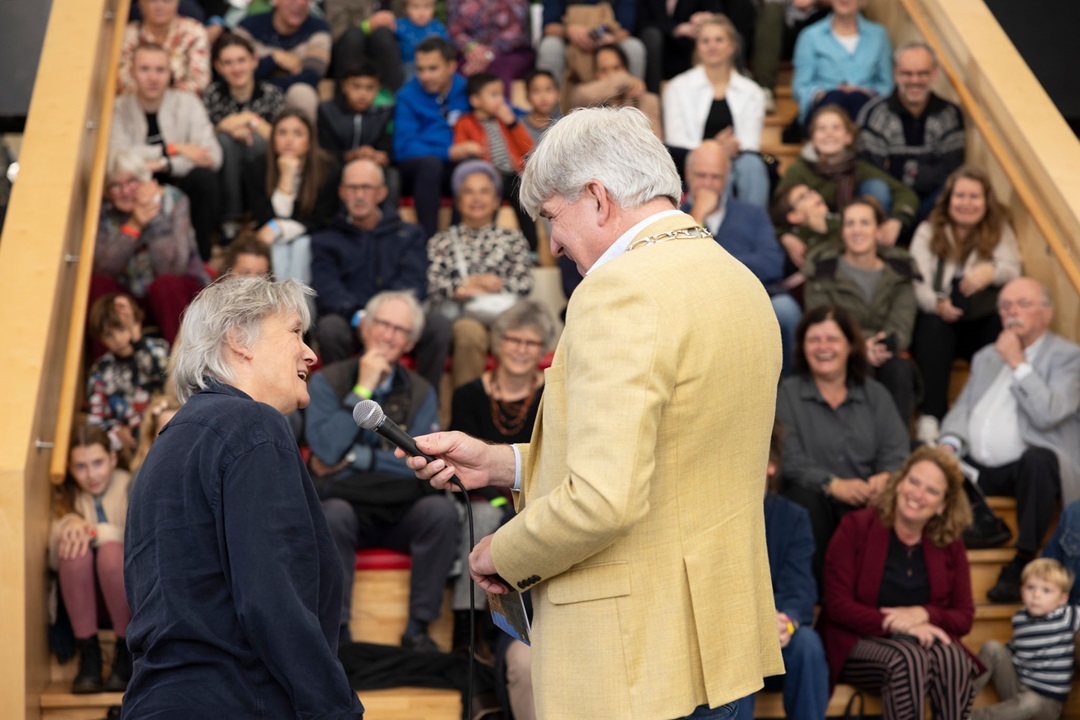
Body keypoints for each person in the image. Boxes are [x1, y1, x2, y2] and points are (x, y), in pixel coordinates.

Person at [401, 106, 785, 718]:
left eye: (552, 216)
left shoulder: (618, 289)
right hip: (720, 646)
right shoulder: (739, 280)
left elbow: (603, 499)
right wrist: (504, 465)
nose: (550, 242)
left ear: (598, 198)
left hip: (635, 659)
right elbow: (669, 457)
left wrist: (503, 552)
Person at [123, 276, 363, 718]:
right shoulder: (252, 425)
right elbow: (274, 599)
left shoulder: (169, 443)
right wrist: (335, 710)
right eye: (294, 331)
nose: (311, 352)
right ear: (239, 339)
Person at [305, 290, 459, 652]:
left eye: (400, 330)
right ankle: (338, 633)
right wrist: (364, 387)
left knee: (440, 512)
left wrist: (359, 458)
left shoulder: (421, 391)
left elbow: (419, 460)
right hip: (346, 506)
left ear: (411, 341)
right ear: (365, 329)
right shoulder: (326, 382)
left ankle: (418, 630)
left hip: (400, 505)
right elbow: (326, 449)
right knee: (332, 515)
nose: (389, 336)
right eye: (383, 325)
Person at [938, 278, 1080, 603]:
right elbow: (962, 409)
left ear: (1046, 313)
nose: (1012, 312)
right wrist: (949, 443)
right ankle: (982, 525)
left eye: (1022, 304)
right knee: (926, 453)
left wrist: (1018, 363)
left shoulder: (1069, 357)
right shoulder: (987, 356)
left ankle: (1023, 558)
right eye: (1005, 306)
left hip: (1030, 473)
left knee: (1039, 459)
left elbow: (1050, 413)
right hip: (979, 472)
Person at [820, 446, 979, 720]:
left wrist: (924, 615)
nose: (917, 494)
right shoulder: (855, 526)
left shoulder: (950, 543)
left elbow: (964, 617)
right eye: (914, 481)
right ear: (899, 483)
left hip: (921, 645)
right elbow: (837, 605)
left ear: (943, 504)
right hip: (856, 640)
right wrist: (892, 622)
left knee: (954, 659)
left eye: (931, 490)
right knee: (909, 659)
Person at [777, 304, 910, 584]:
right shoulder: (787, 395)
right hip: (817, 501)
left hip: (868, 501)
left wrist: (885, 477)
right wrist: (833, 485)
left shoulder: (875, 394)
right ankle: (818, 596)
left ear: (851, 346)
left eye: (832, 339)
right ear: (803, 347)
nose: (823, 347)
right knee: (802, 499)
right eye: (814, 340)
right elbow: (789, 459)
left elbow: (896, 450)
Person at [310, 158, 451, 390]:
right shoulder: (325, 240)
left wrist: (390, 320)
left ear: (382, 193)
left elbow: (415, 282)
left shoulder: (409, 234)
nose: (359, 195)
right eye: (352, 188)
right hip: (354, 321)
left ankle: (424, 402)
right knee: (329, 328)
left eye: (366, 187)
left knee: (438, 326)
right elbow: (327, 289)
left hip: (401, 319)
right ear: (342, 192)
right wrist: (362, 317)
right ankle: (341, 402)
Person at [909, 165, 1022, 442]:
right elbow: (915, 279)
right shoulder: (927, 231)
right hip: (940, 320)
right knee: (931, 325)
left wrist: (990, 271)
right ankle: (932, 417)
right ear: (948, 200)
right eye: (960, 196)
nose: (967, 203)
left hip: (978, 322)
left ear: (986, 201)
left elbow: (1013, 269)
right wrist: (937, 304)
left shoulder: (999, 230)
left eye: (974, 197)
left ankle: (983, 412)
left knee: (1000, 325)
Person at [733, 420, 830, 720]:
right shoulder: (712, 520)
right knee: (741, 645)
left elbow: (800, 591)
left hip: (778, 638)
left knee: (808, 645)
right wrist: (753, 624)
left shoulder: (793, 518)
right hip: (730, 638)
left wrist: (785, 622)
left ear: (771, 465)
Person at [684, 140, 800, 374]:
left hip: (752, 301)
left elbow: (772, 264)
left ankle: (787, 398)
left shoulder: (752, 214)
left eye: (715, 177)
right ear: (687, 175)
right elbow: (680, 266)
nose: (707, 184)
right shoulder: (675, 215)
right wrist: (697, 217)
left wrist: (716, 265)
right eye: (701, 175)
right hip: (696, 306)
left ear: (727, 178)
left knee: (786, 309)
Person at [803, 197, 919, 425]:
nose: (857, 230)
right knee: (857, 365)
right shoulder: (822, 271)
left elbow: (901, 324)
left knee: (899, 369)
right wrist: (860, 346)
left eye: (865, 223)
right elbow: (821, 322)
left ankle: (896, 452)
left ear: (878, 230)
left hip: (887, 351)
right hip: (839, 352)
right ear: (842, 232)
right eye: (850, 224)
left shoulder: (900, 271)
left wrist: (879, 346)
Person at [110, 42, 223, 261]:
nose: (153, 77)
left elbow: (213, 157)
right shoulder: (119, 107)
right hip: (136, 188)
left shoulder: (188, 103)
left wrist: (165, 164)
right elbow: (116, 158)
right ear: (132, 72)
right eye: (145, 69)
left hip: (182, 183)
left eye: (160, 70)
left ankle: (202, 257)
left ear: (170, 73)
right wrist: (175, 148)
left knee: (205, 179)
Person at [426, 161, 535, 388]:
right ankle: (467, 416)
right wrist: (464, 287)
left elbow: (525, 282)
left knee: (520, 333)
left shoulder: (512, 239)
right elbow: (433, 283)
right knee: (469, 332)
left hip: (504, 314)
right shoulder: (441, 241)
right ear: (458, 201)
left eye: (484, 191)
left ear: (496, 201)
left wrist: (496, 285)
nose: (477, 198)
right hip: (461, 316)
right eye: (469, 192)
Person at [92, 147, 206, 344]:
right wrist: (135, 224)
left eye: (131, 181)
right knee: (99, 285)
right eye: (116, 185)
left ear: (146, 181)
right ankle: (105, 368)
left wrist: (153, 217)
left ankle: (179, 366)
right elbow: (105, 267)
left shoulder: (173, 199)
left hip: (175, 293)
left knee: (165, 285)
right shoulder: (104, 210)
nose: (125, 191)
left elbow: (172, 268)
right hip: (130, 298)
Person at [50, 424, 134, 694]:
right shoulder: (69, 497)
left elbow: (141, 542)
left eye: (98, 463)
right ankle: (89, 656)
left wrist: (97, 532)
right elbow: (50, 560)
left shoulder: (129, 484)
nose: (91, 475)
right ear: (71, 470)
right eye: (81, 467)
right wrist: (68, 526)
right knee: (73, 551)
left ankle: (126, 654)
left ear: (112, 458)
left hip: (125, 597)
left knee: (110, 552)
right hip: (84, 603)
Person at [663, 13, 770, 208]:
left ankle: (752, 227)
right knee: (713, 167)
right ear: (697, 47)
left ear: (732, 45)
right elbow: (676, 141)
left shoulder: (752, 91)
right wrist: (714, 148)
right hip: (693, 163)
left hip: (739, 161)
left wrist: (724, 150)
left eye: (719, 40)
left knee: (751, 165)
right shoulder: (677, 87)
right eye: (705, 41)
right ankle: (714, 231)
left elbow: (750, 143)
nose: (712, 46)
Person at [776, 105, 918, 246]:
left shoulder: (858, 167)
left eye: (836, 128)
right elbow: (778, 210)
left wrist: (897, 220)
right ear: (812, 137)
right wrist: (786, 237)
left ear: (848, 137)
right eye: (821, 129)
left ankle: (878, 244)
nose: (829, 134)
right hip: (814, 237)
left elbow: (905, 193)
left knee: (876, 187)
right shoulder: (798, 170)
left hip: (855, 229)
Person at [857, 42, 965, 225]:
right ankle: (880, 243)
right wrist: (919, 172)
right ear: (895, 75)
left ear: (935, 74)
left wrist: (902, 169)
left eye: (923, 73)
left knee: (956, 189)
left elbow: (949, 170)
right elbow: (873, 170)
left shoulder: (949, 114)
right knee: (876, 186)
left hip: (931, 203)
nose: (915, 80)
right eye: (907, 73)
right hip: (889, 204)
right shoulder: (875, 114)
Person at [973, 558, 1080, 720]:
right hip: (1018, 689)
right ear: (1021, 590)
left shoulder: (1067, 616)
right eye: (1030, 588)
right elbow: (1016, 648)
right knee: (992, 647)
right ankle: (960, 698)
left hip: (1047, 703)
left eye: (1046, 590)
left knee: (1030, 702)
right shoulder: (1020, 618)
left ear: (1062, 599)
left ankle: (973, 717)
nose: (1036, 595)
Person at [244, 109, 342, 283]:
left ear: (309, 139)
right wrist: (286, 177)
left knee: (300, 246)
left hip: (313, 236)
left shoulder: (329, 170)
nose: (289, 140)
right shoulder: (257, 168)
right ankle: (283, 306)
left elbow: (321, 220)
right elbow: (265, 216)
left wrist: (279, 227)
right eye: (282, 133)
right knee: (277, 247)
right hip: (275, 240)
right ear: (273, 137)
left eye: (297, 133)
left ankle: (297, 306)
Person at [203, 32, 285, 230]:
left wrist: (250, 120)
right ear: (218, 67)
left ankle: (259, 214)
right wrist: (223, 127)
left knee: (256, 141)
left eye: (241, 60)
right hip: (225, 173)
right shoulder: (212, 95)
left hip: (263, 169)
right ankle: (230, 219)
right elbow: (201, 140)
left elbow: (282, 139)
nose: (236, 68)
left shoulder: (271, 94)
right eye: (228, 62)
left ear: (254, 61)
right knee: (225, 141)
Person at [393, 36, 473, 239]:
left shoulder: (466, 90)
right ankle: (429, 241)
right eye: (420, 69)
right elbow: (403, 148)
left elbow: (497, 106)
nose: (425, 76)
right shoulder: (407, 95)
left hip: (452, 167)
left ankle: (458, 239)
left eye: (433, 68)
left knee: (471, 168)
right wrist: (447, 152)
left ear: (451, 66)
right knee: (431, 165)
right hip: (418, 170)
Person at [453, 72, 537, 248]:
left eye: (501, 94)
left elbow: (528, 149)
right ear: (475, 100)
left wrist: (512, 123)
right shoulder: (465, 122)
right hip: (488, 176)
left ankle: (532, 248)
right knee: (488, 201)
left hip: (512, 174)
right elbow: (459, 147)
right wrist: (469, 148)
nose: (500, 100)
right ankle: (482, 244)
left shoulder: (505, 121)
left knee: (523, 200)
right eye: (494, 95)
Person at [86, 294, 171, 456]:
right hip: (129, 447)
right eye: (108, 335)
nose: (117, 339)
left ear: (136, 323)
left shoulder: (157, 348)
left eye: (121, 329)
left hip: (163, 431)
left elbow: (162, 375)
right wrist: (117, 431)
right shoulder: (101, 369)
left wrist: (137, 339)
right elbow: (95, 419)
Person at [791, 0, 892, 126]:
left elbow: (887, 86)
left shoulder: (879, 35)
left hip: (865, 106)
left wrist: (866, 92)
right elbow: (800, 87)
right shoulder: (810, 36)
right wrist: (819, 94)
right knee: (835, 97)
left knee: (857, 98)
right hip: (825, 107)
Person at [235, 0, 332, 121]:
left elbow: (312, 76)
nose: (300, 3)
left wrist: (265, 77)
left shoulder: (318, 29)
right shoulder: (248, 26)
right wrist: (274, 59)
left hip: (290, 96)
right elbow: (235, 70)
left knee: (303, 93)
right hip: (250, 94)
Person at [638, 0, 755, 95]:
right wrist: (676, 29)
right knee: (652, 36)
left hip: (691, 46)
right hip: (662, 52)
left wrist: (705, 18)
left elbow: (718, 16)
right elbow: (641, 24)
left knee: (731, 36)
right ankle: (653, 96)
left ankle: (737, 81)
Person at [536, 0, 646, 99]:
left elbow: (626, 29)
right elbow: (549, 27)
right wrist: (568, 31)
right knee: (550, 46)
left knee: (634, 47)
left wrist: (611, 38)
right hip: (570, 44)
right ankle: (552, 113)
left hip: (610, 42)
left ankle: (632, 105)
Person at [117, 0, 211, 96]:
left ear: (177, 3)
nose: (160, 6)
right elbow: (121, 80)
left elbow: (200, 81)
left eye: (167, 1)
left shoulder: (194, 31)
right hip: (134, 103)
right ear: (141, 4)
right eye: (152, 1)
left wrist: (163, 99)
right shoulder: (127, 33)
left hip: (182, 104)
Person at [571, 43, 662, 139]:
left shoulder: (648, 100)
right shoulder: (584, 96)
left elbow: (655, 143)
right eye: (604, 70)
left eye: (617, 68)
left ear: (626, 69)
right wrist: (626, 80)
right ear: (596, 75)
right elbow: (583, 95)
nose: (612, 75)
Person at [751, 0, 827, 113]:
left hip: (821, 20)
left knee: (845, 11)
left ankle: (832, 90)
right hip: (785, 29)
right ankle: (764, 89)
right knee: (772, 10)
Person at [449, 0, 534, 88]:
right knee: (461, 74)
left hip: (510, 51)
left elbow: (516, 31)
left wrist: (488, 54)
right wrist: (472, 47)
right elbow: (455, 30)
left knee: (498, 75)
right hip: (471, 52)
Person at [771, 182, 841, 269]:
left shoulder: (838, 219)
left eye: (810, 191)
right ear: (794, 216)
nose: (813, 195)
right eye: (803, 197)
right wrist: (821, 228)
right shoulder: (801, 243)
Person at [395, 0, 450, 78]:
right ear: (406, 8)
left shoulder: (438, 27)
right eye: (415, 7)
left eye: (427, 7)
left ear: (434, 7)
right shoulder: (399, 26)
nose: (422, 13)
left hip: (433, 66)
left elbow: (446, 50)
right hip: (408, 66)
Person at [520, 69, 561, 143]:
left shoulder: (562, 125)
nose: (543, 97)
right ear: (527, 96)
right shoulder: (518, 126)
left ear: (558, 94)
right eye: (536, 90)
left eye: (548, 89)